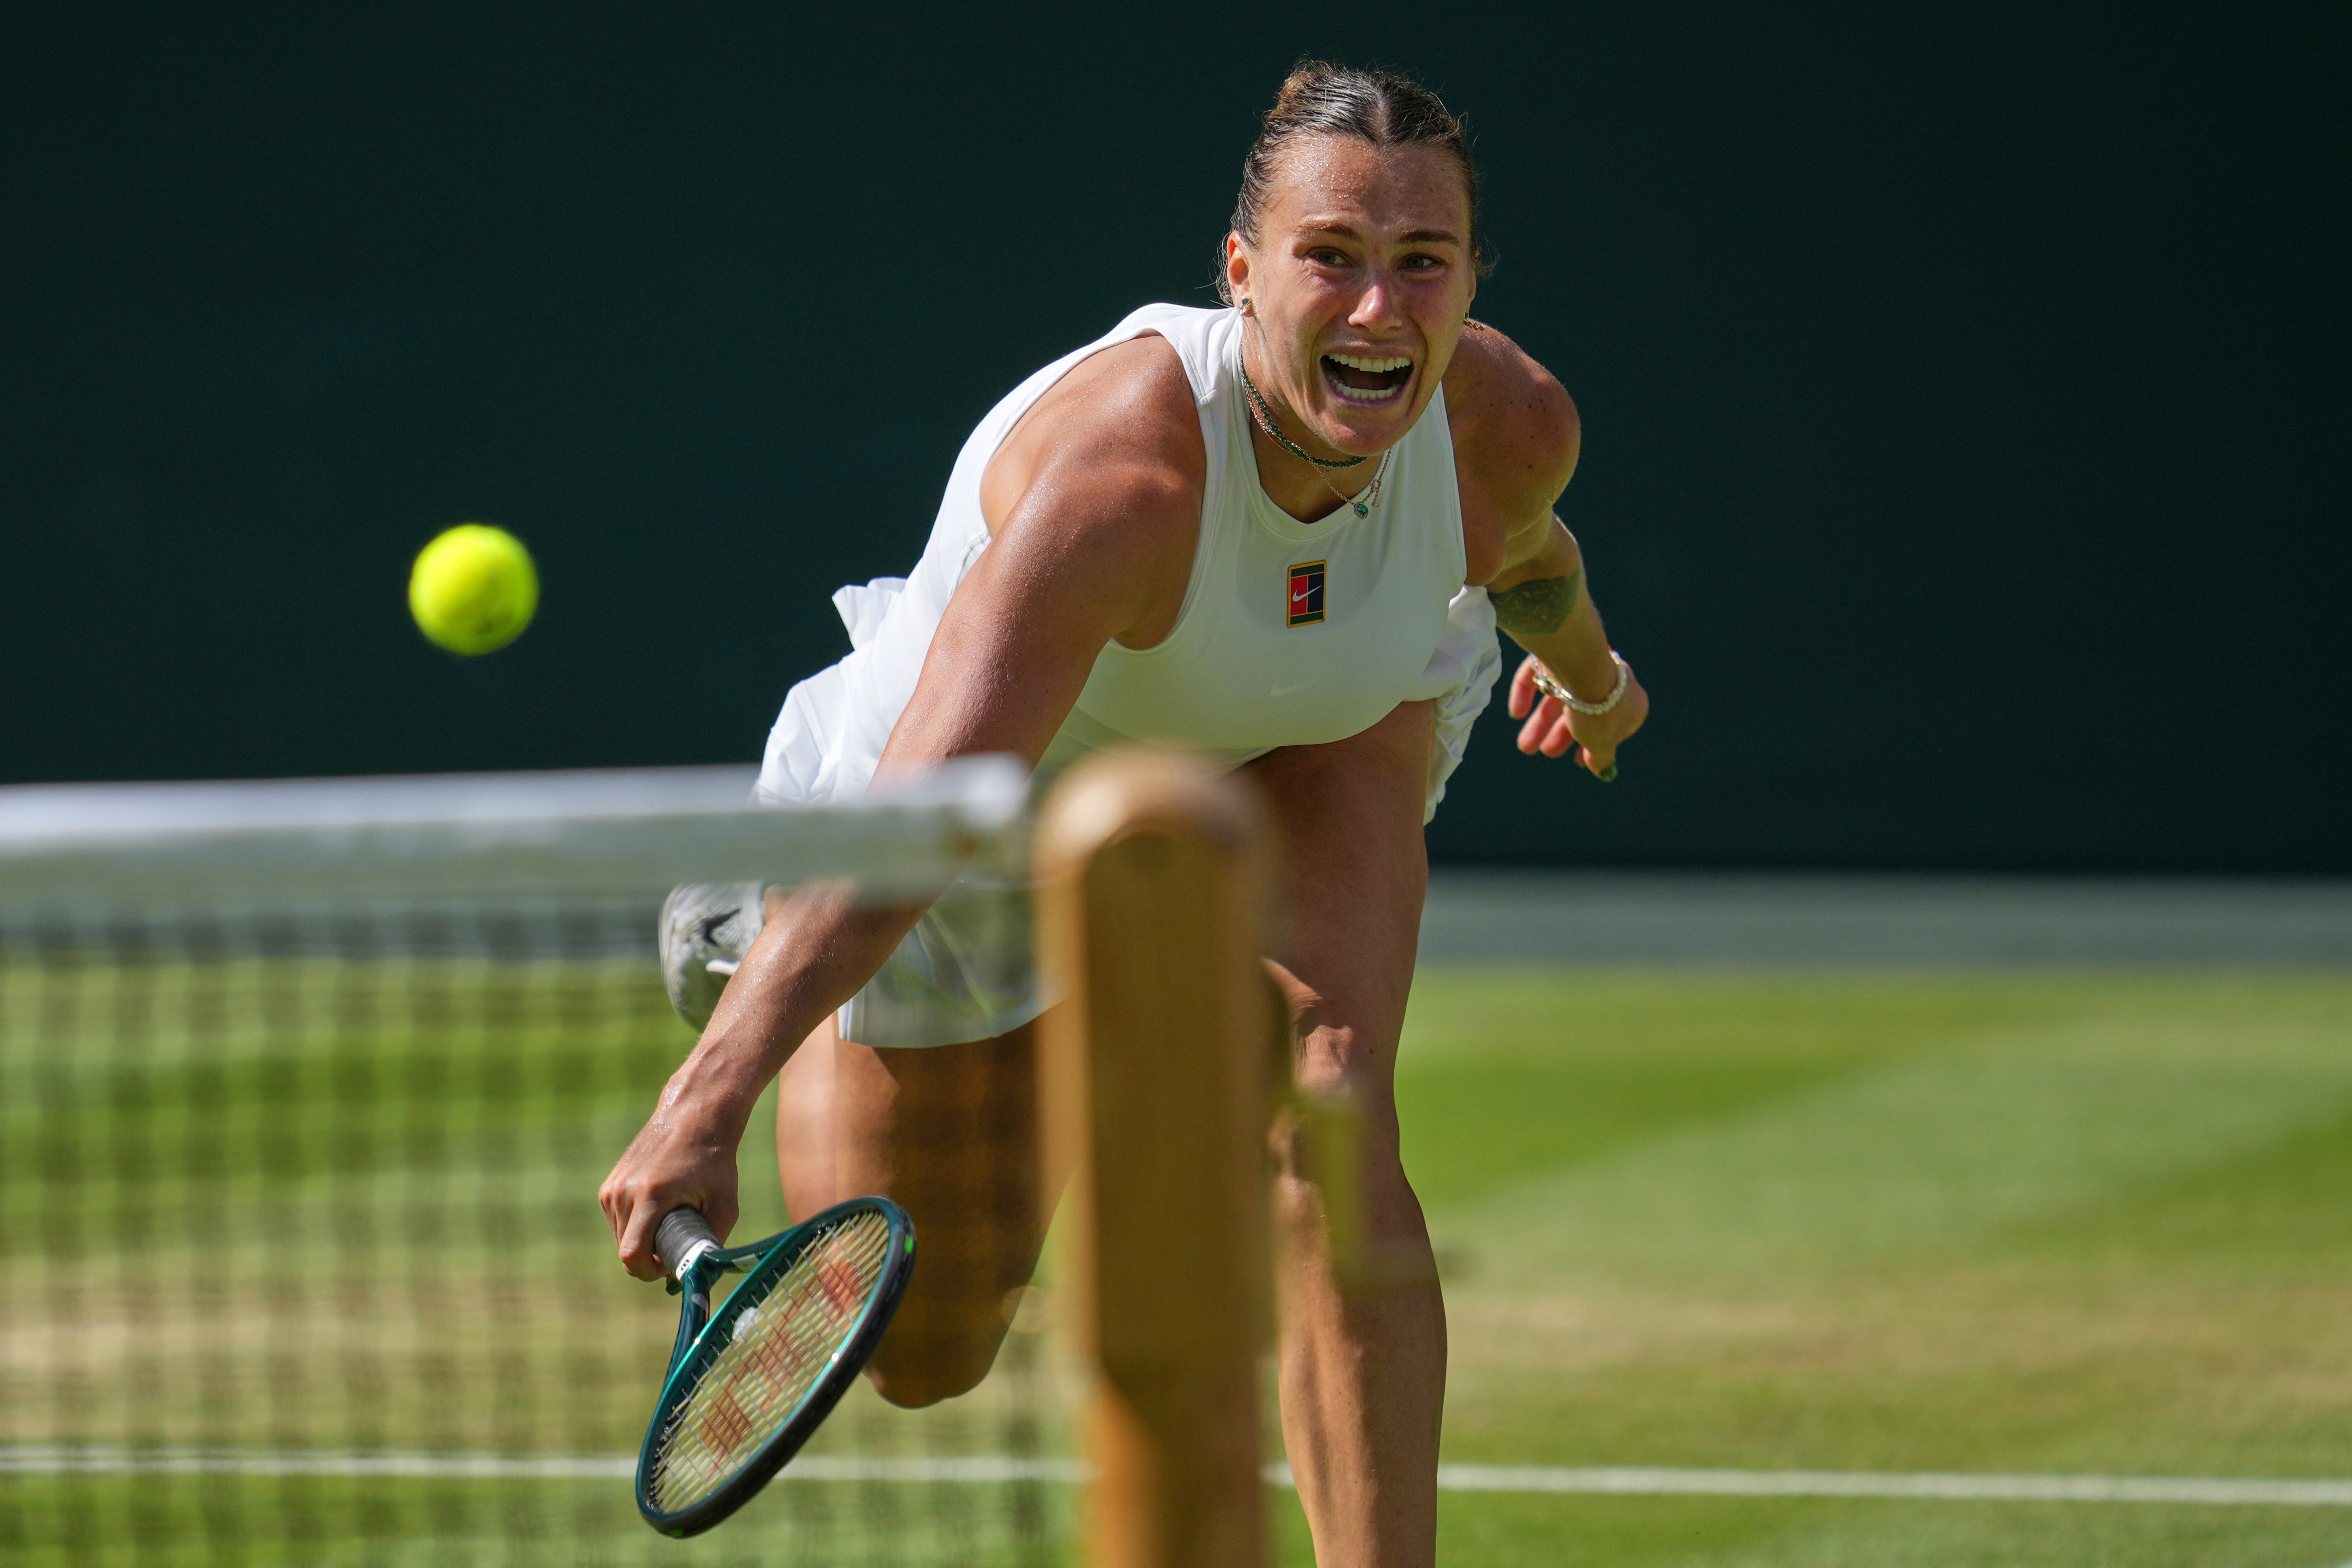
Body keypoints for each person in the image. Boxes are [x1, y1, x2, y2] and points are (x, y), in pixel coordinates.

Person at [600, 60, 1650, 1568]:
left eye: (1424, 264)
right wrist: (706, 1103)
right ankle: (762, 920)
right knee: (926, 1348)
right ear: (1242, 273)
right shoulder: (1127, 480)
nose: (1378, 312)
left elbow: (1531, 561)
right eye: (1331, 259)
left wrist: (1598, 687)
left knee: (1330, 1102)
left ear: (1473, 277)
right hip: (982, 809)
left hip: (1317, 726)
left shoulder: (1503, 418)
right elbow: (928, 815)